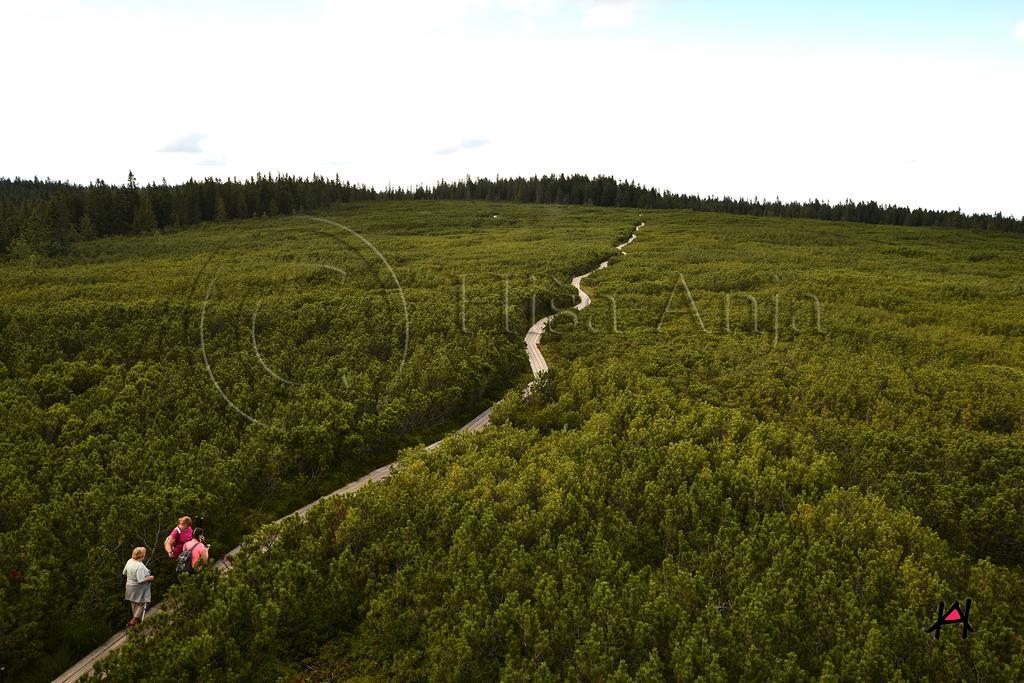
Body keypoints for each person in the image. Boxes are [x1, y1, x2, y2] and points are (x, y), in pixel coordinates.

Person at [123, 547, 154, 628]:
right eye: (144, 555)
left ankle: (137, 621)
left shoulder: (129, 561)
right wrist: (150, 578)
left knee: (133, 603)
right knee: (142, 603)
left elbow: (124, 572)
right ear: (141, 556)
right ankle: (133, 621)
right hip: (138, 587)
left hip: (129, 585)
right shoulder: (139, 565)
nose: (144, 556)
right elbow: (140, 580)